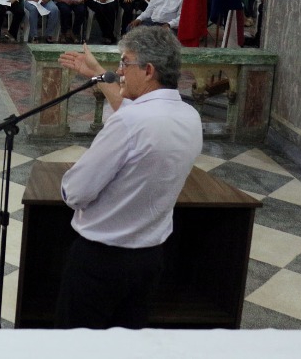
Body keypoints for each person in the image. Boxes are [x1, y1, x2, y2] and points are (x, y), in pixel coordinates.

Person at [55, 27, 203, 329]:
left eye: (125, 63)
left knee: (78, 347)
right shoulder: (190, 116)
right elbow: (140, 116)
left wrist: (67, 186)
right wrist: (97, 74)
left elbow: (77, 192)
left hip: (100, 261)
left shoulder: (129, 122)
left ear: (148, 70)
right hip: (150, 259)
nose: (119, 72)